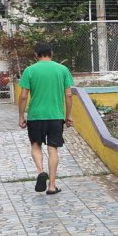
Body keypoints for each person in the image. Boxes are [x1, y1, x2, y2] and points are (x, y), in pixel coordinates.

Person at [17, 42, 75, 195]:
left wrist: (21, 116)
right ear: (51, 53)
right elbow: (69, 95)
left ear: (36, 55)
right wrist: (68, 115)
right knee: (52, 148)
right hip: (56, 116)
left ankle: (41, 171)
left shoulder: (29, 70)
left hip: (35, 116)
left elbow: (23, 96)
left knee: (36, 145)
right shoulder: (62, 70)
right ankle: (52, 186)